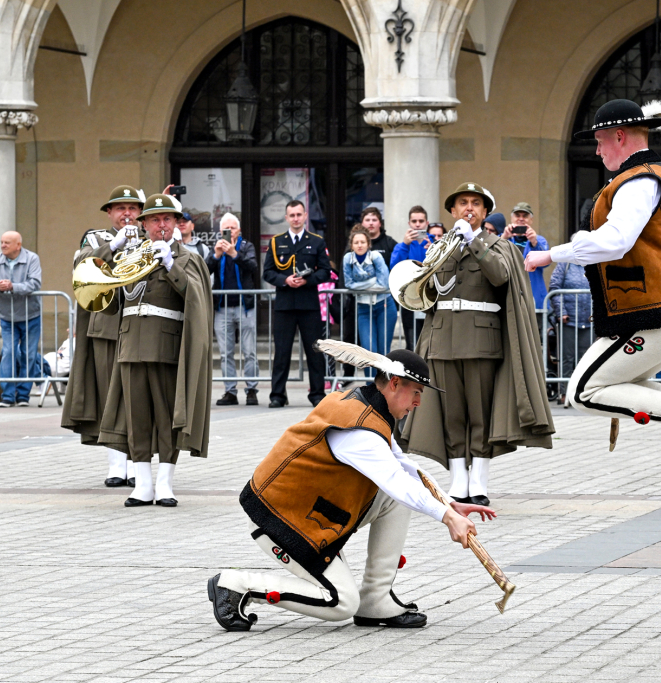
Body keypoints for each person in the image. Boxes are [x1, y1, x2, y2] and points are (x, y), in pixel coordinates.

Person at [208, 347, 495, 631]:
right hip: (279, 518)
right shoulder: (359, 430)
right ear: (395, 383)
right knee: (341, 603)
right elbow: (396, 480)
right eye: (417, 391)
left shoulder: (369, 408)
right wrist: (447, 518)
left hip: (307, 512)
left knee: (396, 499)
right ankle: (235, 585)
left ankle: (376, 601)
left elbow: (403, 466)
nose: (419, 401)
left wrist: (448, 504)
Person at [524, 99, 661, 473]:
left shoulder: (641, 180)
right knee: (614, 383)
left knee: (584, 390)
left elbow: (616, 240)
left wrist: (551, 254)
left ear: (620, 135)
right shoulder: (657, 176)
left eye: (600, 141)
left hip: (659, 315)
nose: (598, 150)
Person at [399, 182, 554, 505]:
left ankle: (479, 482)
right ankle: (458, 482)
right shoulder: (439, 246)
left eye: (475, 204)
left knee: (479, 415)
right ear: (453, 211)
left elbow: (499, 276)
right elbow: (428, 291)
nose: (468, 208)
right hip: (442, 340)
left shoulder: (499, 246)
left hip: (482, 341)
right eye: (462, 203)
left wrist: (475, 242)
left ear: (485, 212)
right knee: (452, 415)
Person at [97, 193, 214, 508]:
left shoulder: (188, 259)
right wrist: (112, 255)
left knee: (166, 418)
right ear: (144, 224)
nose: (161, 225)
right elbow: (106, 303)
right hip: (130, 346)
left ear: (176, 223)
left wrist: (170, 265)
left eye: (167, 219)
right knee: (136, 419)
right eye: (154, 219)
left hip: (166, 346)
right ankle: (142, 484)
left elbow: (196, 299)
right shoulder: (129, 256)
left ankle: (165, 483)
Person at [62, 186, 142, 486]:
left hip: (139, 325)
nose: (127, 214)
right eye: (120, 208)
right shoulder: (96, 238)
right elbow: (81, 266)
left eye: (133, 208)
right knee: (109, 395)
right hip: (106, 328)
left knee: (136, 397)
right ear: (109, 213)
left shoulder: (147, 240)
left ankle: (138, 463)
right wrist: (113, 247)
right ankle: (116, 464)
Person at [262, 200, 331, 408]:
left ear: (305, 215)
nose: (295, 219)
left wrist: (307, 280)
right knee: (282, 352)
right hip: (284, 305)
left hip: (309, 304)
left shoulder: (316, 241)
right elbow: (268, 272)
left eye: (299, 214)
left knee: (314, 352)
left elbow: (325, 271)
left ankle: (317, 393)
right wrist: (285, 280)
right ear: (286, 218)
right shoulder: (276, 242)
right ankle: (277, 395)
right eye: (291, 215)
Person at [0, 231, 42, 408]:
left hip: (30, 315)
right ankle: (8, 395)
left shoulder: (31, 259)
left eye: (7, 243)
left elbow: (35, 283)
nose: (3, 245)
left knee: (28, 354)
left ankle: (23, 395)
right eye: (2, 242)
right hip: (7, 316)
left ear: (18, 245)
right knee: (8, 353)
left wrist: (13, 286)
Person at [207, 212, 259, 406]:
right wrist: (216, 255)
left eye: (232, 228)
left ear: (239, 230)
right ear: (220, 231)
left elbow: (253, 266)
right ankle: (230, 392)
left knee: (249, 351)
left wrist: (234, 255)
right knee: (225, 352)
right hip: (222, 306)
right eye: (225, 230)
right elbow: (205, 270)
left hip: (245, 306)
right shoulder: (217, 248)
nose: (229, 232)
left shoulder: (247, 246)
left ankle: (252, 389)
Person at [344, 225, 397, 366]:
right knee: (368, 352)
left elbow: (384, 284)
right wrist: (372, 282)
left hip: (384, 305)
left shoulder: (376, 257)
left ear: (368, 244)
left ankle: (385, 387)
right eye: (356, 242)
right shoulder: (347, 259)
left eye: (362, 242)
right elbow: (349, 284)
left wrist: (361, 286)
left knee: (383, 351)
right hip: (363, 309)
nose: (359, 245)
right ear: (351, 245)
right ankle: (371, 386)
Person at [392, 206, 436, 350]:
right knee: (412, 345)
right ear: (409, 223)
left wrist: (434, 251)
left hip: (431, 300)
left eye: (421, 221)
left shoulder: (435, 245)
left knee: (432, 344)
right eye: (414, 221)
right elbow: (393, 268)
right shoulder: (401, 246)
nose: (417, 224)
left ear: (427, 223)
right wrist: (405, 245)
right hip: (409, 301)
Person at [547, 261, 593, 384]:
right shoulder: (565, 264)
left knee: (586, 359)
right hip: (569, 321)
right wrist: (561, 312)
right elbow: (554, 288)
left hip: (590, 321)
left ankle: (582, 391)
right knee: (567, 358)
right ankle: (564, 392)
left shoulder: (595, 261)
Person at [503, 202, 550, 309]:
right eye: (517, 215)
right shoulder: (502, 239)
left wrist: (534, 243)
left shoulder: (539, 240)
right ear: (511, 218)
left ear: (531, 220)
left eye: (525, 216)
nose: (521, 219)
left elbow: (546, 263)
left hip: (534, 300)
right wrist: (504, 238)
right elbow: (492, 259)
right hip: (509, 300)